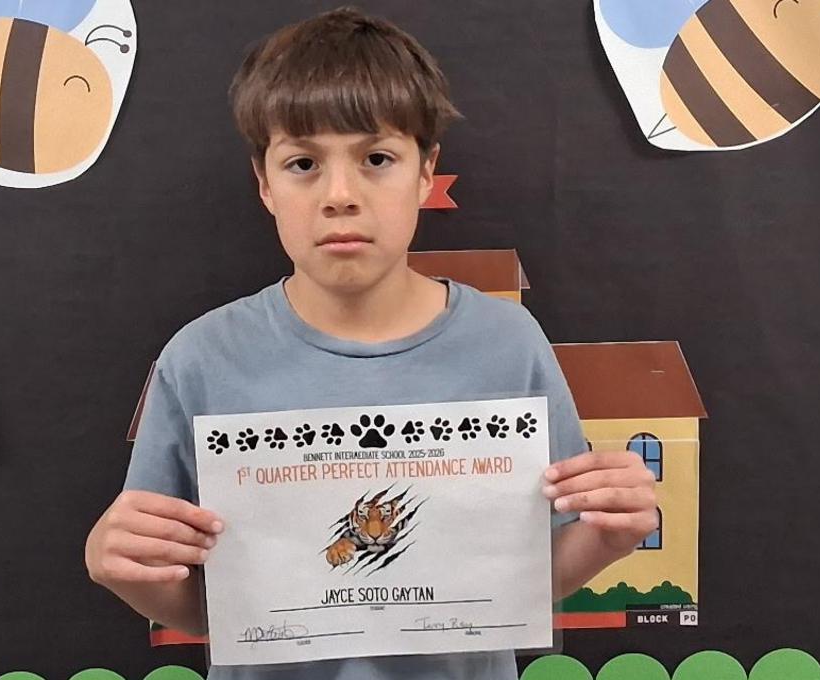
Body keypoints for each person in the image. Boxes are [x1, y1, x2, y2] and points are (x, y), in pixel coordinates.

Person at [84, 7, 659, 679]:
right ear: (265, 183)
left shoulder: (508, 344)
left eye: (377, 159)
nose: (340, 195)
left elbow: (520, 584)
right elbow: (212, 609)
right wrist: (120, 567)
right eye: (303, 163)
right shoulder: (201, 359)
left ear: (425, 172)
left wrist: (609, 537)